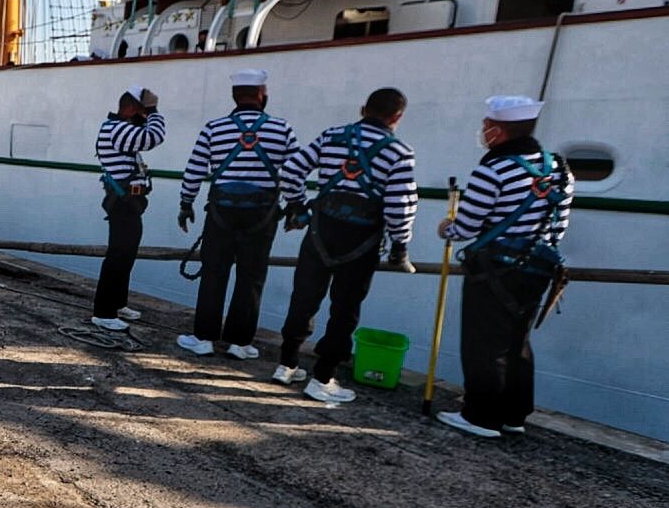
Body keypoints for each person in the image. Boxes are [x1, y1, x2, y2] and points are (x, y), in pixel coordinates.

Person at [434, 95, 572, 439]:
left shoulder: (493, 169)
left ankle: (480, 416)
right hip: (538, 268)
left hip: (493, 269)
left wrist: (446, 229)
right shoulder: (560, 169)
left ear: (498, 131)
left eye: (485, 126)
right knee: (517, 339)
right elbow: (560, 225)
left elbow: (466, 227)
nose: (482, 132)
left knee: (484, 343)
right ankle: (514, 414)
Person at [275, 88, 418, 404]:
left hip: (320, 231)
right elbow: (401, 205)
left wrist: (298, 205)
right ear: (397, 117)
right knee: (345, 309)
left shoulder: (332, 136)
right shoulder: (399, 152)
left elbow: (292, 169)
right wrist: (400, 246)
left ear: (362, 108)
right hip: (361, 240)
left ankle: (286, 364)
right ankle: (323, 378)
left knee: (304, 297)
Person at [176, 69, 298, 359]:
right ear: (260, 95)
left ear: (235, 96)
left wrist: (186, 203)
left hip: (221, 214)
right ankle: (240, 343)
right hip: (262, 216)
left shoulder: (213, 128)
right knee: (252, 277)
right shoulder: (282, 129)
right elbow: (294, 172)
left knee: (214, 274)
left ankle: (204, 338)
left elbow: (194, 170)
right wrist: (296, 205)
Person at [91, 85, 166, 330]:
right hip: (122, 203)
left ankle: (118, 303)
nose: (144, 117)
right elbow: (153, 137)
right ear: (132, 109)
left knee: (127, 253)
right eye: (142, 111)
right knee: (118, 255)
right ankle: (104, 312)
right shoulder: (117, 129)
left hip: (129, 203)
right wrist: (154, 111)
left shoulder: (119, 127)